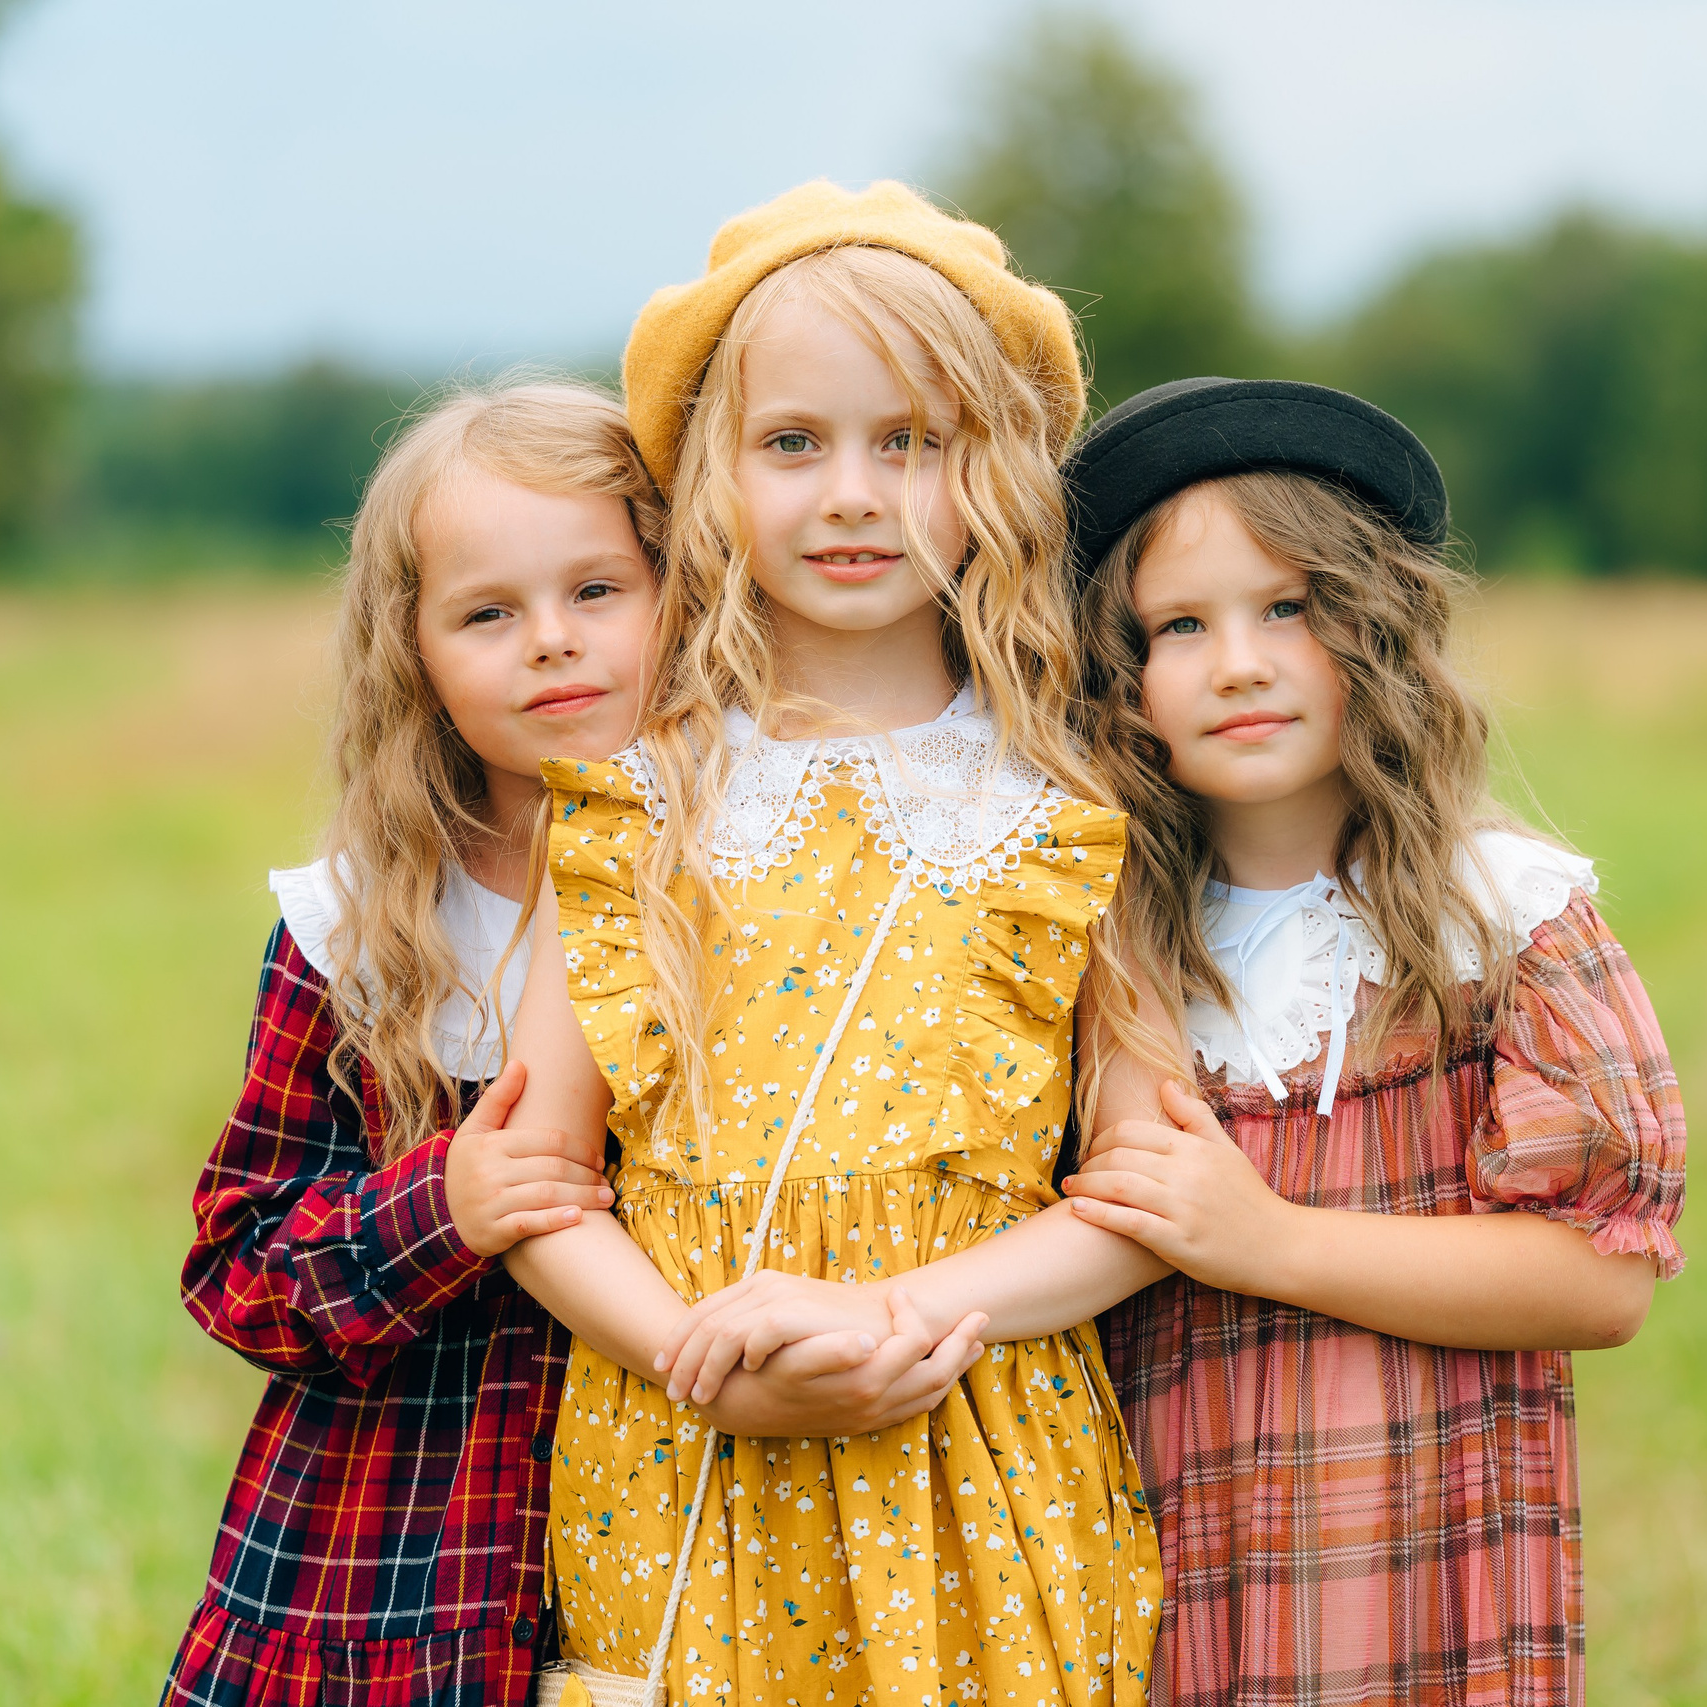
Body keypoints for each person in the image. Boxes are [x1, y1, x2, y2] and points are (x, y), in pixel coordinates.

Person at [500, 181, 1175, 1707]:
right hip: (686, 1455)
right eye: (794, 443)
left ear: (993, 474)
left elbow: (1145, 1197)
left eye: (911, 442)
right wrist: (698, 1359)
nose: (853, 494)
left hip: (976, 1454)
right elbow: (537, 1180)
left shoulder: (1068, 810)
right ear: (714, 477)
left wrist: (897, 1317)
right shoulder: (638, 801)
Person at [1057, 378, 1689, 1707]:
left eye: (1288, 608)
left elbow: (1603, 1281)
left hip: (1417, 1579)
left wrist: (1269, 1241)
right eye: (1181, 625)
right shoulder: (1095, 947)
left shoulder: (1499, 920)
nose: (1239, 663)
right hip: (1157, 1567)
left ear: (1376, 627)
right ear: (1122, 676)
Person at [164, 380, 667, 1706]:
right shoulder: (364, 933)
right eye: (488, 613)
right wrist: (440, 1204)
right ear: (417, 656)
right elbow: (236, 1267)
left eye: (598, 590)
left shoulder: (772, 891)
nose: (551, 641)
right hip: (398, 1561)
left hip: (679, 1513)